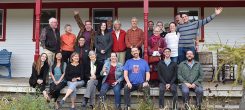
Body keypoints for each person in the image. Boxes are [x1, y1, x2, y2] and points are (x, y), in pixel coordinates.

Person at [94, 21, 113, 89]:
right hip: (99, 55)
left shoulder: (109, 33)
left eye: (105, 25)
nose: (103, 26)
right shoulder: (97, 34)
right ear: (100, 26)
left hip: (107, 54)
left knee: (106, 69)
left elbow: (111, 42)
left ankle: (106, 84)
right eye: (102, 25)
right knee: (99, 70)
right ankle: (99, 85)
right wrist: (100, 50)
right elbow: (95, 43)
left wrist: (105, 49)